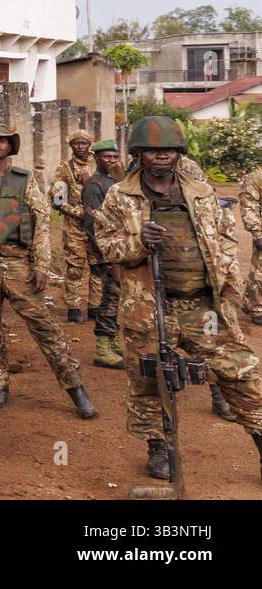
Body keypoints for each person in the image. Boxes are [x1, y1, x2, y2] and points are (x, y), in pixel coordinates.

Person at [93, 116, 262, 482]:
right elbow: (105, 245)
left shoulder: (200, 192)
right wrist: (138, 243)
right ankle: (158, 448)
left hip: (203, 306)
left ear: (178, 153)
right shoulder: (120, 196)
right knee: (149, 379)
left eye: (168, 149)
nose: (162, 156)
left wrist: (229, 287)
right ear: (140, 153)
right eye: (153, 150)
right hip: (148, 306)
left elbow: (226, 239)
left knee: (240, 371)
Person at [0, 124, 98, 418]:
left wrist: (41, 265)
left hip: (18, 263)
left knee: (45, 327)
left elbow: (42, 222)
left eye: (3, 141)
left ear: (11, 147)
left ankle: (76, 388)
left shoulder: (24, 180)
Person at [83, 140, 124, 369]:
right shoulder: (94, 185)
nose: (111, 161)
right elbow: (92, 221)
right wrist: (105, 256)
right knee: (110, 297)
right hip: (108, 252)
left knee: (120, 298)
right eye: (106, 157)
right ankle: (103, 348)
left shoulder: (117, 181)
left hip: (123, 249)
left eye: (114, 157)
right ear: (96, 158)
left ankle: (114, 340)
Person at [51, 130, 96, 322]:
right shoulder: (65, 169)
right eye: (76, 143)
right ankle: (74, 306)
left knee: (98, 266)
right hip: (75, 226)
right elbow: (58, 201)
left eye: (83, 143)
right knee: (74, 268)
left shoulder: (99, 162)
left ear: (89, 145)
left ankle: (95, 306)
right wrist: (80, 212)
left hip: (99, 225)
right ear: (71, 146)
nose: (80, 147)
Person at [240, 166, 262, 326]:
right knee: (260, 272)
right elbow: (249, 203)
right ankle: (257, 307)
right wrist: (257, 233)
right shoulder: (257, 176)